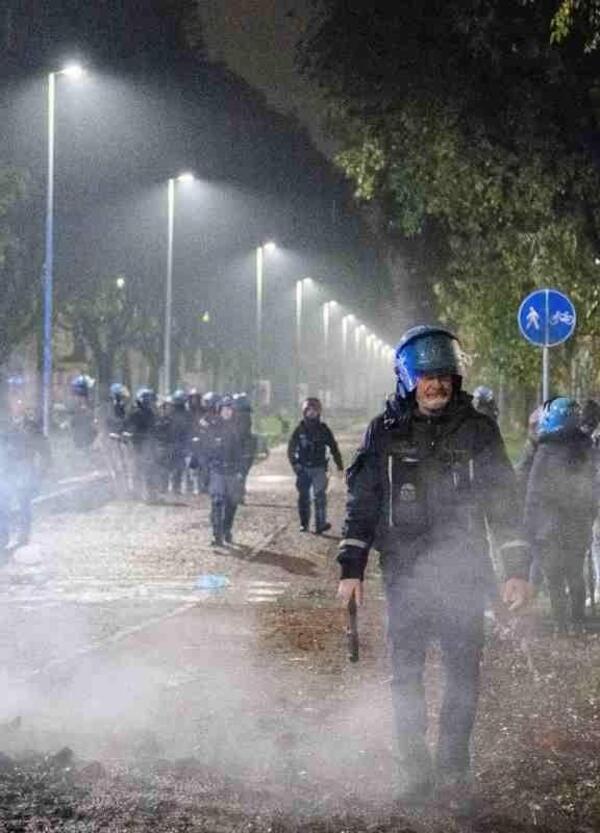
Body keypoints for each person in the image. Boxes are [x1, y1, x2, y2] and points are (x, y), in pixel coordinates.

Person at [337, 325, 531, 806]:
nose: (437, 385)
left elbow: (504, 504)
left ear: (457, 378)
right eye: (427, 376)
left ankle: (454, 772)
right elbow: (364, 501)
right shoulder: (383, 433)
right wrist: (351, 568)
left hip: (465, 575)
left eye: (445, 375)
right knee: (405, 676)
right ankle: (415, 772)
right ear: (408, 378)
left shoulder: (479, 431)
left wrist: (516, 568)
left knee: (463, 675)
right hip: (404, 576)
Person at [524, 396, 598, 632]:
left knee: (555, 577)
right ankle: (576, 621)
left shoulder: (544, 451)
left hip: (550, 527)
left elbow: (533, 492)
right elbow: (594, 485)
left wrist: (529, 523)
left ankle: (561, 624)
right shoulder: (586, 447)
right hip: (576, 524)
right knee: (574, 574)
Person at [0, 387, 51, 549]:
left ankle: (23, 535)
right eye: (14, 401)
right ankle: (3, 537)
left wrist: (42, 470)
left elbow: (44, 449)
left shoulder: (32, 426)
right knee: (3, 503)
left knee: (24, 504)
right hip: (7, 469)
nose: (17, 405)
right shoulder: (4, 425)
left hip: (25, 470)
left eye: (20, 402)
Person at [287, 397, 343, 534]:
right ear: (304, 412)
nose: (311, 413)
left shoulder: (324, 429)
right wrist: (295, 465)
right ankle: (304, 524)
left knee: (320, 496)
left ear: (319, 412)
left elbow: (334, 447)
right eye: (309, 410)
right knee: (303, 497)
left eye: (314, 411)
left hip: (319, 468)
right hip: (303, 469)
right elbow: (291, 449)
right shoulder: (299, 430)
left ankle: (320, 524)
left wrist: (340, 466)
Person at [206, 394, 245, 546]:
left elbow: (242, 452)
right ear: (220, 410)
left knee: (231, 503)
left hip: (233, 471)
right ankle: (217, 535)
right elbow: (206, 447)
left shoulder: (238, 429)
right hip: (217, 469)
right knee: (216, 501)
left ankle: (226, 530)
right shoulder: (213, 427)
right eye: (225, 409)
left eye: (230, 409)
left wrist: (241, 470)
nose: (227, 412)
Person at [123, 387, 158, 501]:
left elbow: (153, 428)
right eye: (146, 399)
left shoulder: (150, 413)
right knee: (135, 469)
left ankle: (149, 493)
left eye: (149, 399)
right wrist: (129, 435)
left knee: (148, 469)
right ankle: (135, 493)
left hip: (147, 443)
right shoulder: (134, 412)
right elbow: (127, 427)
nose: (148, 401)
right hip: (136, 444)